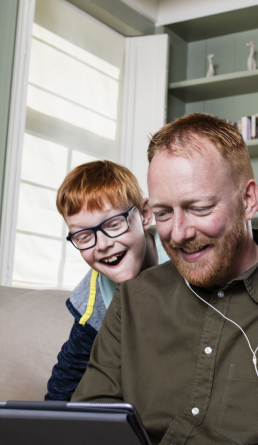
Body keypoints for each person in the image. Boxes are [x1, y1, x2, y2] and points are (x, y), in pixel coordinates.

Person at [72, 113, 258, 445]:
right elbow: (89, 427)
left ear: (249, 200)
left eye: (200, 208)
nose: (178, 234)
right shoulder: (131, 301)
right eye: (164, 213)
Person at [45, 160, 170, 401]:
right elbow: (68, 378)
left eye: (114, 224)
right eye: (83, 236)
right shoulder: (93, 299)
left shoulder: (185, 260)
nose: (103, 245)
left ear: (145, 215)